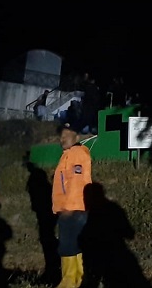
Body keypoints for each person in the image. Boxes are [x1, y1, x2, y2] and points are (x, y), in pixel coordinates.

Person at [52, 122, 93, 288]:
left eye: (66, 135)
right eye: (61, 136)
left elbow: (77, 182)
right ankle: (77, 280)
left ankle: (69, 282)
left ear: (76, 137)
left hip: (73, 209)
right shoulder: (69, 154)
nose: (62, 139)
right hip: (75, 208)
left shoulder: (76, 153)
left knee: (68, 245)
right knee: (75, 245)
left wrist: (68, 208)